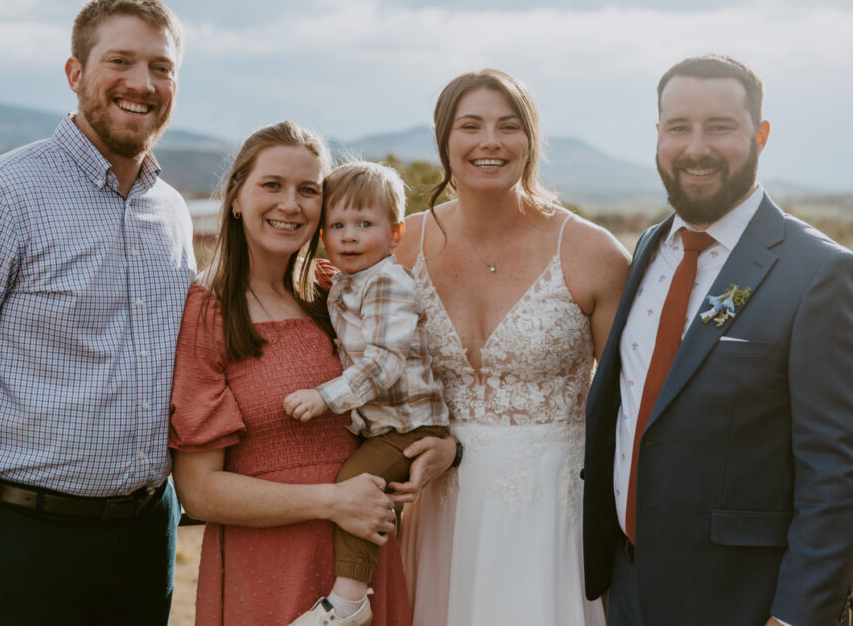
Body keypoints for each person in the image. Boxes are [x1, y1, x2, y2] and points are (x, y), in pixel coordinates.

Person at [0, 0, 194, 625]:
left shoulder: (168, 209)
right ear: (75, 72)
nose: (142, 84)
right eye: (121, 61)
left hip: (147, 537)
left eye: (161, 67)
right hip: (24, 542)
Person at [582, 54, 853, 626]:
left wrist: (795, 617)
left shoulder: (821, 274)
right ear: (658, 137)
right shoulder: (652, 246)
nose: (696, 147)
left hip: (744, 602)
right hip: (627, 587)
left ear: (760, 136)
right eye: (679, 127)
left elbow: (843, 471)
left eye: (719, 127)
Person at [169, 121, 454, 625]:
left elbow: (408, 377)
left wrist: (445, 450)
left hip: (362, 556)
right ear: (236, 196)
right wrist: (334, 501)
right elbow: (199, 491)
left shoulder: (336, 291)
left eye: (308, 190)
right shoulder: (207, 312)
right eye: (272, 186)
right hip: (268, 561)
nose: (290, 204)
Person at [395, 68, 630, 625]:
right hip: (438, 510)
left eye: (508, 126)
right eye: (470, 125)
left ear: (531, 140)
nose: (490, 142)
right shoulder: (401, 247)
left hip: (553, 515)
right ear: (444, 139)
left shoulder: (592, 253)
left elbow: (630, 405)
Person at [283, 160, 451, 625]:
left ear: (395, 233)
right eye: (337, 226)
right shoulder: (351, 280)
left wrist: (324, 397)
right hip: (384, 425)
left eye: (364, 224)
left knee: (355, 486)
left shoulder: (386, 283)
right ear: (322, 237)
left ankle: (349, 599)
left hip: (408, 426)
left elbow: (384, 362)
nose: (350, 237)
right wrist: (326, 279)